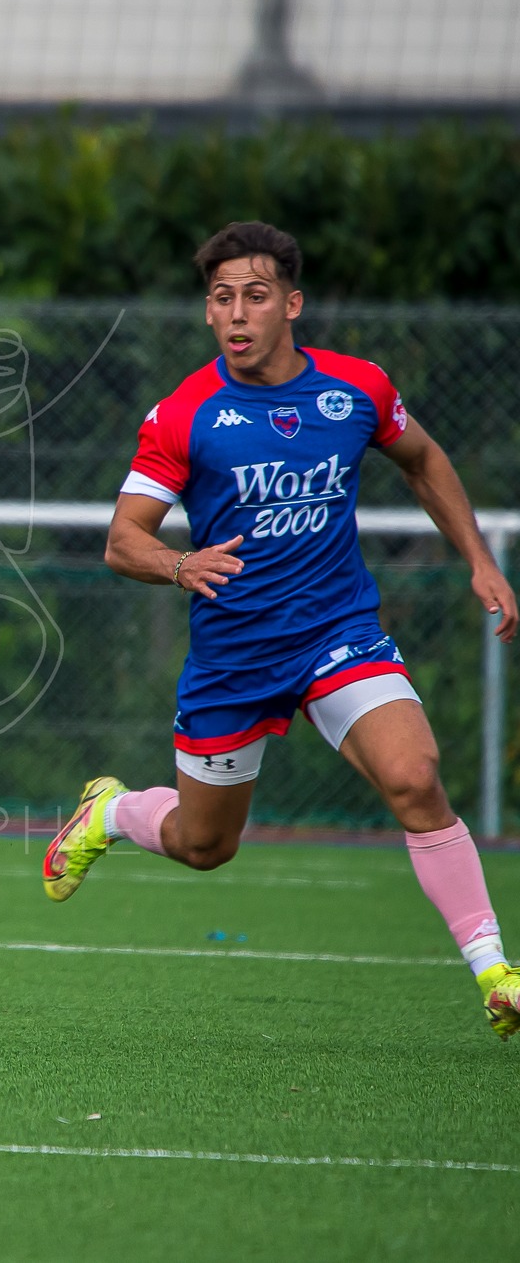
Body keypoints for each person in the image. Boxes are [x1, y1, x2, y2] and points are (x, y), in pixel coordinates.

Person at [44, 221, 520, 1038]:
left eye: (255, 296)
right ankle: (112, 812)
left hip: (338, 629)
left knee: (415, 776)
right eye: (221, 298)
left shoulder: (357, 389)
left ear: (291, 305)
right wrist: (179, 565)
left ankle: (497, 973)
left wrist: (479, 557)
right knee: (204, 845)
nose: (236, 312)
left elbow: (424, 458)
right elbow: (123, 539)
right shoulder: (184, 414)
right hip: (235, 654)